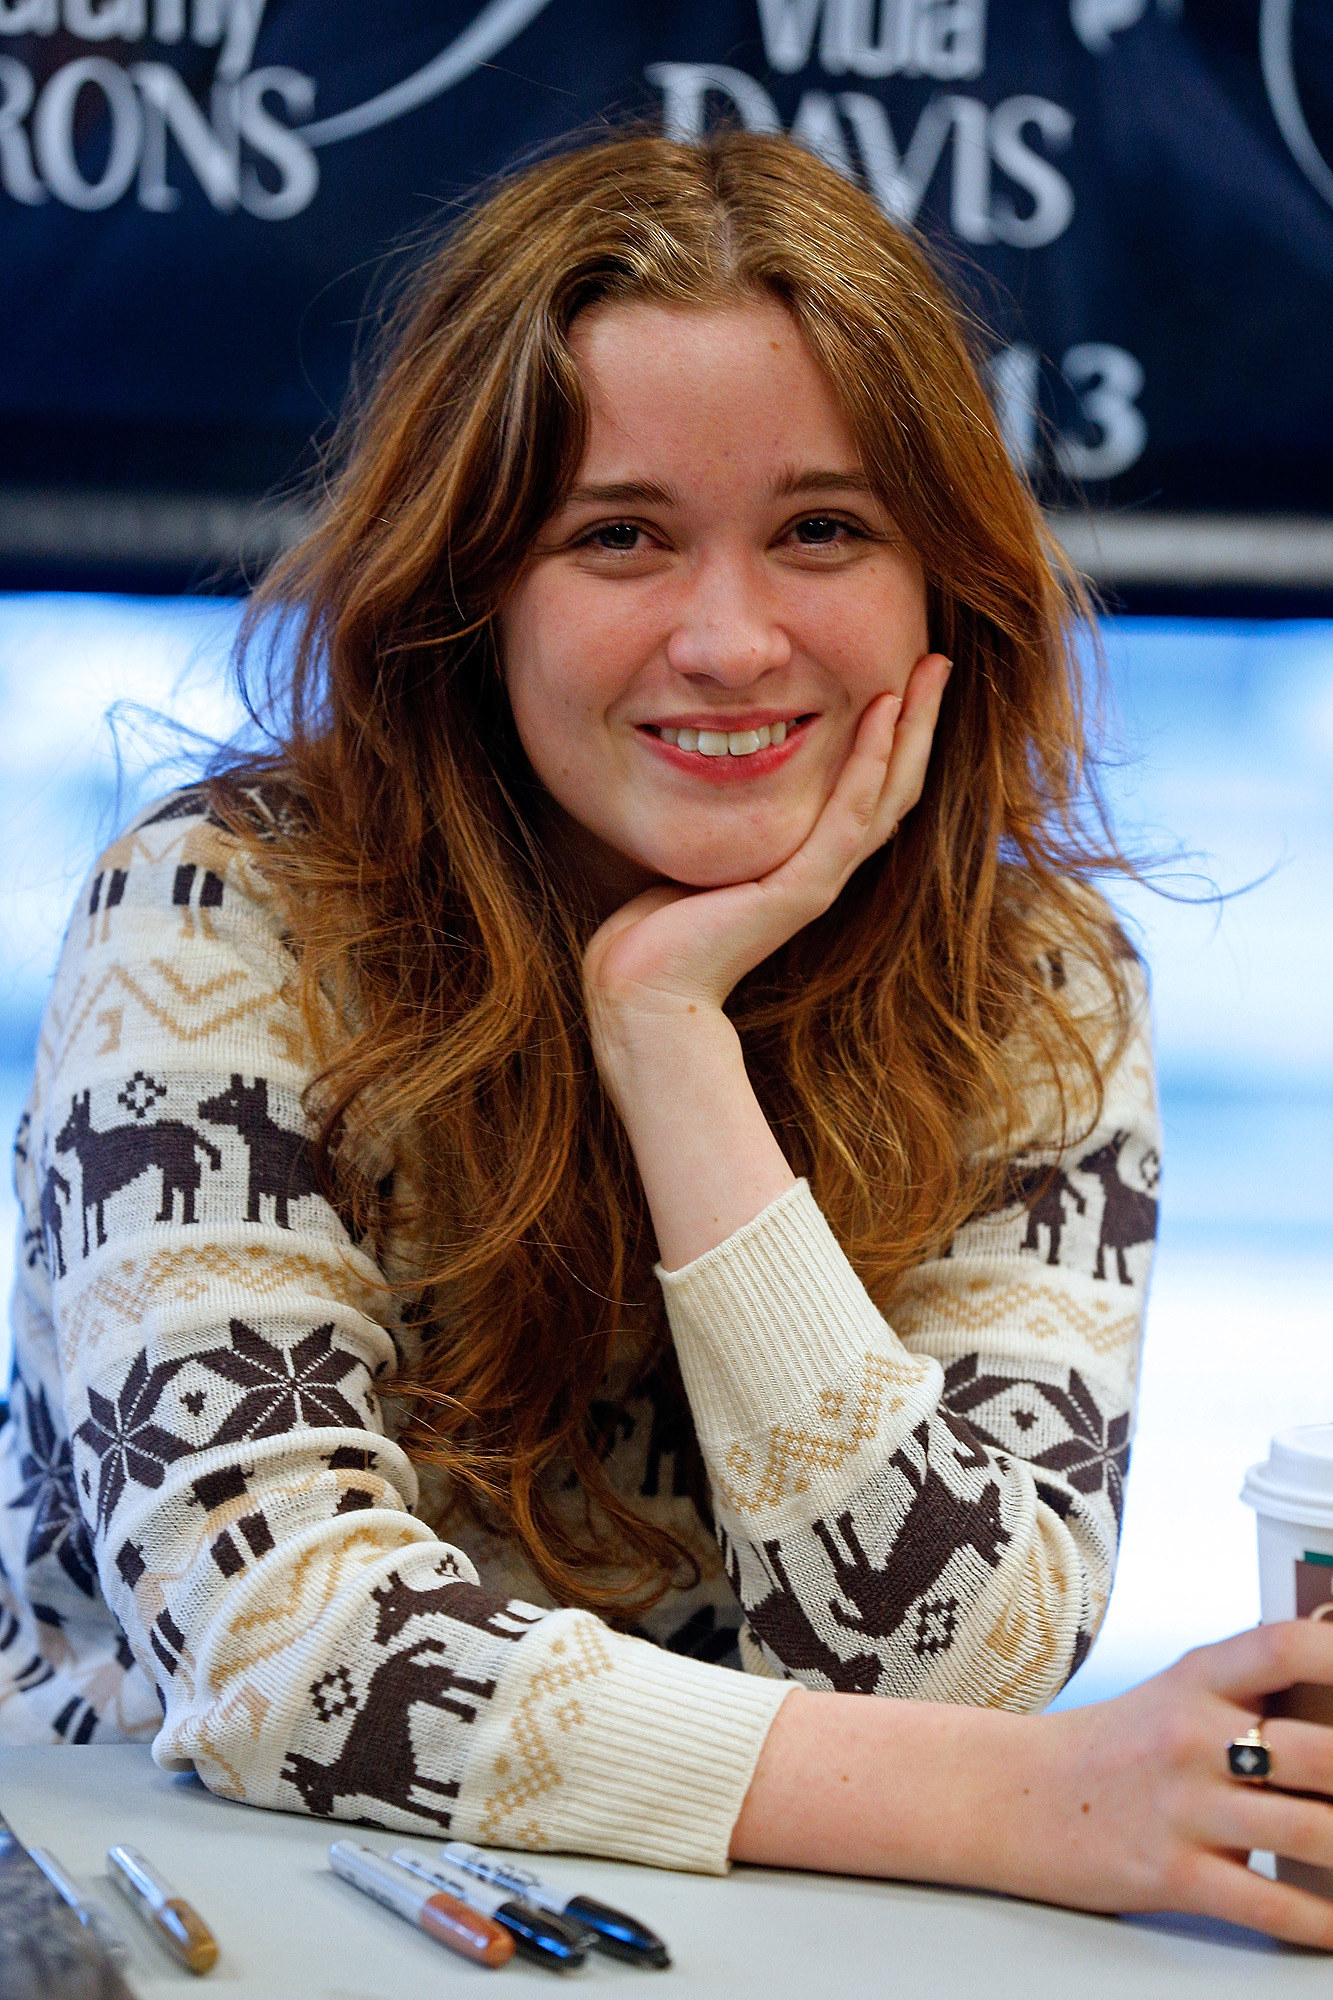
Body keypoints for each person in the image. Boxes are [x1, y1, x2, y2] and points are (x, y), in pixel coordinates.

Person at [2, 131, 1331, 1948]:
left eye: (822, 530)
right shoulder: (218, 914)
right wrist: (1015, 1806)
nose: (728, 637)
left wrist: (666, 1036)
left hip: (746, 1928)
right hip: (191, 1906)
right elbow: (281, 1649)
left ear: (943, 581)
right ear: (471, 588)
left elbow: (955, 1663)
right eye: (616, 535)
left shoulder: (1039, 981)